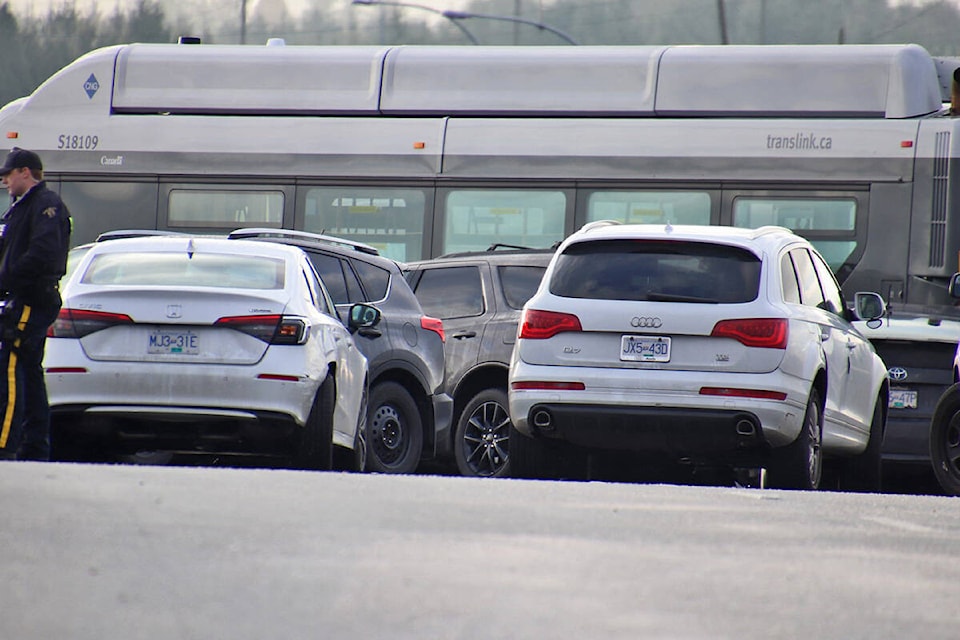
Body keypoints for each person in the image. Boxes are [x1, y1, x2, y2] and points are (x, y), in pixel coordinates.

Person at [0, 148, 71, 460]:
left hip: (31, 298)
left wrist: (9, 279)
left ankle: (6, 443)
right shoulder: (21, 208)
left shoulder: (45, 205)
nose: (4, 180)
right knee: (28, 370)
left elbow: (41, 254)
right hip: (24, 297)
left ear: (25, 172)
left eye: (8, 174)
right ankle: (33, 447)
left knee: (12, 369)